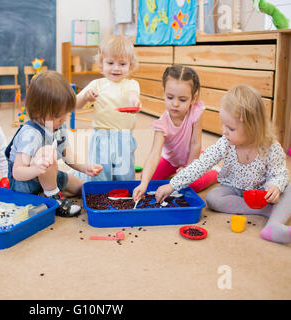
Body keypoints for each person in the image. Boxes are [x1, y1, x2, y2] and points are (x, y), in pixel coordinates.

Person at [155, 85, 291, 244]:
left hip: (261, 192)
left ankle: (274, 225)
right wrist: (172, 185)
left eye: (231, 128)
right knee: (213, 198)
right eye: (223, 125)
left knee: (288, 188)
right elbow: (201, 164)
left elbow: (280, 173)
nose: (224, 131)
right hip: (232, 188)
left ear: (253, 128)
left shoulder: (270, 147)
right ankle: (267, 211)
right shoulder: (225, 143)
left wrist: (274, 186)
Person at [6, 70, 103, 217]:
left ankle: (47, 192)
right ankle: (53, 198)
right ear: (38, 112)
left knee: (81, 188)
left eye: (66, 113)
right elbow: (18, 172)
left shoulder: (58, 124)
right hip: (24, 183)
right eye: (58, 115)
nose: (64, 118)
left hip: (46, 176)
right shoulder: (31, 134)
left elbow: (66, 154)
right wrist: (37, 169)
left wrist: (84, 167)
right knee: (47, 153)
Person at [133, 65, 220, 201]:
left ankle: (214, 172)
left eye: (182, 99)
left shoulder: (196, 112)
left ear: (193, 98)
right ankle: (175, 173)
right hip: (170, 161)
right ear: (164, 93)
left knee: (192, 185)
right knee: (146, 178)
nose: (175, 104)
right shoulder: (161, 124)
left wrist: (189, 169)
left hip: (193, 157)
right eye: (170, 97)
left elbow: (195, 143)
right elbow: (154, 153)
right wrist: (143, 184)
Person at [70, 34, 142, 181]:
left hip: (124, 138)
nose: (116, 68)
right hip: (101, 137)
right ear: (101, 64)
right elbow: (74, 105)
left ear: (130, 66)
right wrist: (85, 97)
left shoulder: (131, 84)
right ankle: (98, 196)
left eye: (122, 64)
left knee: (125, 176)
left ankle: (123, 197)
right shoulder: (97, 84)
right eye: (110, 63)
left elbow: (132, 95)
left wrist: (135, 100)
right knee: (100, 174)